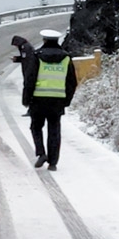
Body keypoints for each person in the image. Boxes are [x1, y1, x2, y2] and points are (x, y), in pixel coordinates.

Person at [22, 29, 77, 172]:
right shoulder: (66, 58)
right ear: (57, 41)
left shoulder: (37, 56)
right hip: (57, 101)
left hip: (38, 99)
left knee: (36, 127)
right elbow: (72, 82)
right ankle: (53, 163)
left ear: (44, 40)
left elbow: (30, 80)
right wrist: (66, 101)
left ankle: (41, 153)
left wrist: (26, 100)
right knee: (54, 130)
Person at [11, 35, 36, 117]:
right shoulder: (25, 47)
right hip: (28, 71)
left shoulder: (25, 47)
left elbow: (28, 60)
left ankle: (31, 109)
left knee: (29, 89)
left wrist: (28, 73)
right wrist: (17, 59)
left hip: (29, 72)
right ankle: (30, 109)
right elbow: (25, 58)